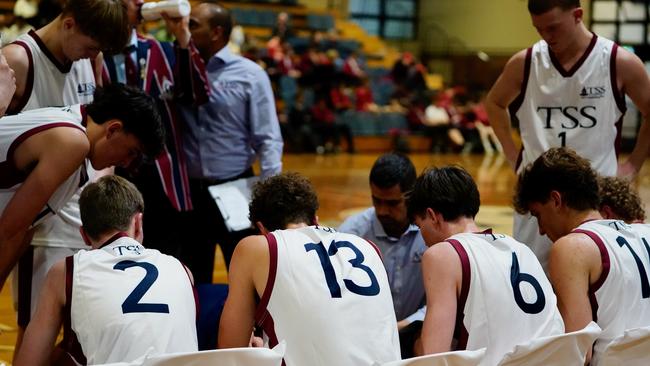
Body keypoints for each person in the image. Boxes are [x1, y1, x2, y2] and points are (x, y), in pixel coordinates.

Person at [485, 0, 650, 270]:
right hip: (539, 195)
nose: (546, 36)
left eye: (552, 27)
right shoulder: (525, 62)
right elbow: (494, 103)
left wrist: (634, 164)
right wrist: (512, 154)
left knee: (599, 279)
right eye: (538, 29)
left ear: (577, 15)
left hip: (596, 195)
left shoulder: (617, 61)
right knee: (534, 279)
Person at [2, 0, 130, 334]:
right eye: (90, 47)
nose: (91, 56)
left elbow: (103, 131)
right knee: (36, 326)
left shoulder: (91, 58)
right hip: (32, 216)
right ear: (69, 24)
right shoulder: (18, 59)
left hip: (80, 210)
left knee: (71, 326)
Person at [219, 172, 400, 366]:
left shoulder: (255, 248)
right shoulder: (369, 247)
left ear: (261, 228)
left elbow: (230, 352)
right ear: (316, 220)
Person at [14, 175, 197, 366]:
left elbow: (30, 361)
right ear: (138, 222)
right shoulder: (181, 269)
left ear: (84, 235)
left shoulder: (66, 271)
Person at [0, 83, 165, 291]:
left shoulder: (78, 139)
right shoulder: (72, 141)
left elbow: (24, 228)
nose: (126, 163)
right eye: (131, 152)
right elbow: (10, 229)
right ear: (113, 129)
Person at [407, 165, 563, 365]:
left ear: (432, 216)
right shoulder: (521, 248)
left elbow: (432, 355)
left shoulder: (442, 254)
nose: (424, 238)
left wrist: (413, 342)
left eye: (421, 227)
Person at [175, 2, 283, 283]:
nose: (185, 29)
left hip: (236, 189)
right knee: (193, 278)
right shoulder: (177, 67)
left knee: (246, 277)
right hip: (190, 193)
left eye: (194, 24)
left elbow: (268, 137)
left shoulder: (250, 74)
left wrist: (269, 198)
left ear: (217, 32)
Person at [514, 147, 650, 364]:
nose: (540, 229)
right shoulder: (646, 232)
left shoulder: (571, 247)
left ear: (556, 200)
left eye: (538, 215)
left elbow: (578, 353)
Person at [102, 0, 196, 258]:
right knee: (118, 256)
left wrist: (183, 37)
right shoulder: (93, 53)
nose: (141, 2)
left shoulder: (162, 49)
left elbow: (195, 95)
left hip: (163, 175)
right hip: (114, 172)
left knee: (169, 255)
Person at [338, 153, 426, 357]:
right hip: (363, 339)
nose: (383, 210)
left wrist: (403, 326)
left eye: (392, 203)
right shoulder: (351, 234)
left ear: (411, 196)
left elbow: (444, 299)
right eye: (376, 201)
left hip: (417, 332)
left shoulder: (430, 232)